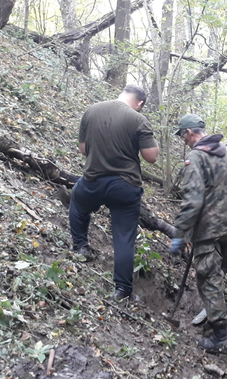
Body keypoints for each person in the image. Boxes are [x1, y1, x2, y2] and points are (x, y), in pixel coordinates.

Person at [69, 84, 159, 301]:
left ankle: (80, 246)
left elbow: (83, 149)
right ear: (140, 103)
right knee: (124, 237)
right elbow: (151, 157)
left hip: (93, 180)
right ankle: (123, 289)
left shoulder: (92, 111)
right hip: (125, 186)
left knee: (78, 204)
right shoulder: (138, 119)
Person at [169, 114, 227, 354]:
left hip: (209, 230)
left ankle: (220, 338)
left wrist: (180, 233)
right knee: (216, 273)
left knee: (208, 279)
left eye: (182, 135)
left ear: (190, 132)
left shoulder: (196, 157)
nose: (183, 140)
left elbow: (192, 200)